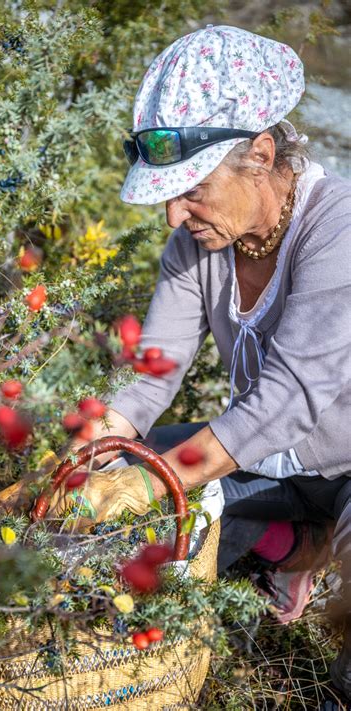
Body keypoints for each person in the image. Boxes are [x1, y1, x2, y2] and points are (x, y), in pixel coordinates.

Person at [50, 25, 351, 707]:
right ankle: (296, 546)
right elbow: (153, 370)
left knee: (160, 483)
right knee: (130, 475)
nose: (171, 215)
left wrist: (157, 482)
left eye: (192, 190)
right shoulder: (198, 244)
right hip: (277, 466)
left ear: (261, 155)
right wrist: (87, 454)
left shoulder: (339, 232)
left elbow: (289, 397)